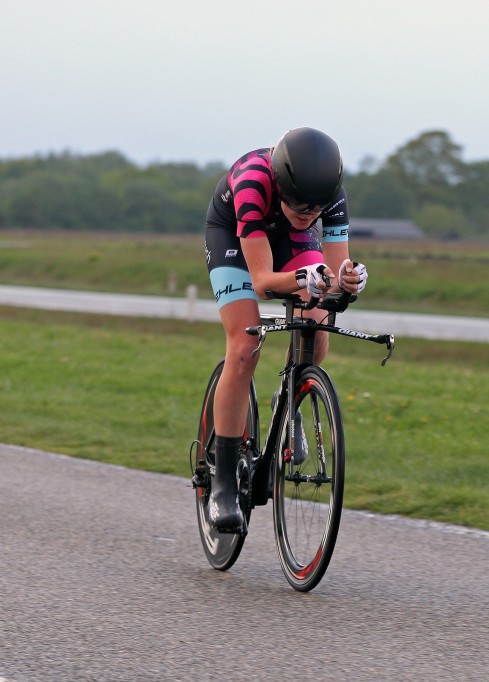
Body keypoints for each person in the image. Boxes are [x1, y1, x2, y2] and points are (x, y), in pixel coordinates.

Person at [203, 127, 368, 532]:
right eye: (301, 208)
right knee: (245, 345)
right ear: (280, 185)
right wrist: (303, 278)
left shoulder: (329, 197)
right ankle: (223, 482)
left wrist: (346, 282)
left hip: (292, 243)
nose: (311, 214)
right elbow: (261, 282)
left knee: (317, 323)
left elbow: (332, 276)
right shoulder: (254, 183)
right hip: (236, 239)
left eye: (317, 210)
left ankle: (288, 397)